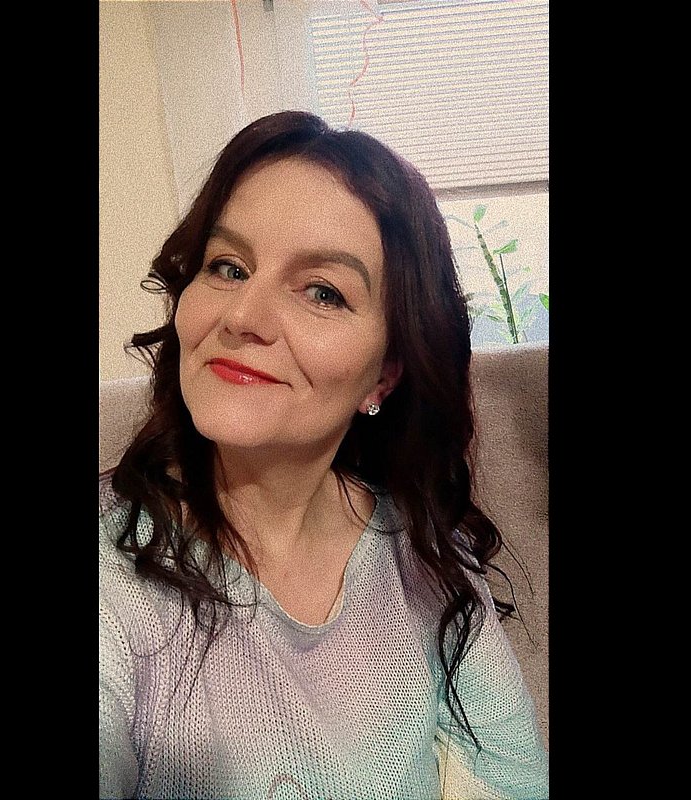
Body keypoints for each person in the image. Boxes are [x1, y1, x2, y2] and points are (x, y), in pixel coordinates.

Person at [99, 110, 549, 800]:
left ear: (384, 375)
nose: (243, 316)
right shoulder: (113, 577)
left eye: (323, 292)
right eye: (228, 267)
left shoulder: (426, 554)